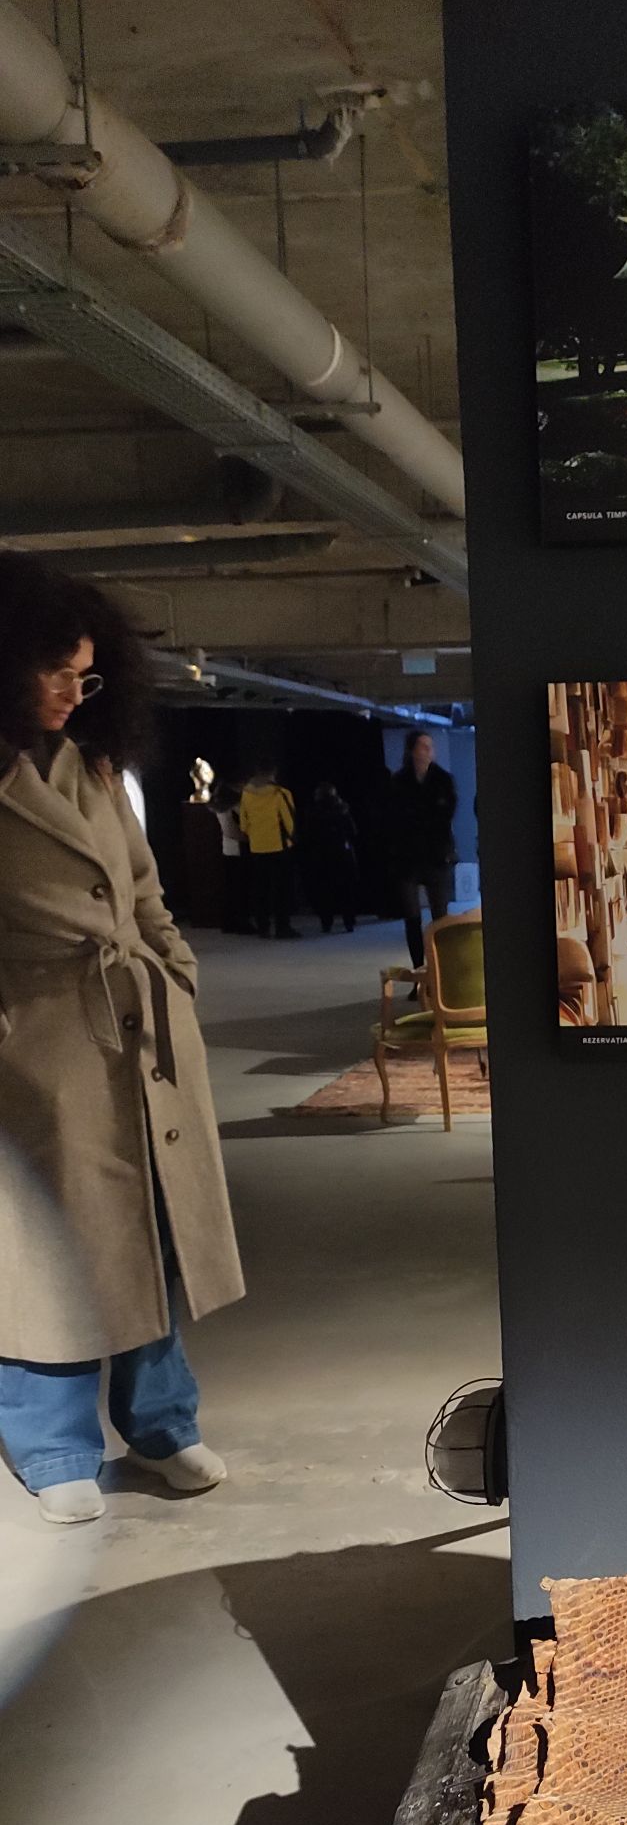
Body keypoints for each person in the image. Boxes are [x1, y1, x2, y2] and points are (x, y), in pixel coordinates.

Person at [0, 557, 244, 1526]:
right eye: (56, 671)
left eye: (87, 674)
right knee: (46, 1249)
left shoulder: (95, 765)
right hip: (38, 1042)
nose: (74, 692)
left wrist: (174, 969)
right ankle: (52, 1444)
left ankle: (161, 1422)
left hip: (141, 1032)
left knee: (152, 1231)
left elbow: (141, 888)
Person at [390, 729, 458, 969]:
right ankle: (419, 971)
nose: (429, 751)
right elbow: (393, 816)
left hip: (436, 854)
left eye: (431, 746)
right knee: (411, 918)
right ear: (412, 750)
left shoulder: (443, 780)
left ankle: (441, 972)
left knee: (440, 917)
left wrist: (418, 818)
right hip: (407, 856)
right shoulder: (399, 781)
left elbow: (445, 814)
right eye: (424, 746)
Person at [239, 762, 298, 939]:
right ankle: (282, 927)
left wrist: (254, 835)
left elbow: (243, 823)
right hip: (279, 845)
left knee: (260, 889)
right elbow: (289, 820)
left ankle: (263, 927)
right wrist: (292, 838)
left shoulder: (246, 793)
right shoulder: (280, 793)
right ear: (273, 773)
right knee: (281, 889)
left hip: (257, 846)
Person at [302, 782, 360, 934]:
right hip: (342, 852)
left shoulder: (312, 812)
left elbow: (308, 834)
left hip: (321, 855)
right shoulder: (343, 809)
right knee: (346, 889)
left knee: (324, 890)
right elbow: (353, 831)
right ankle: (349, 921)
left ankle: (326, 922)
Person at [213, 774, 253, 934]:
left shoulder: (227, 805)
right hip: (236, 849)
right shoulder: (227, 807)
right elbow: (229, 830)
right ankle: (239, 921)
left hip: (232, 848)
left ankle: (232, 921)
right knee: (238, 888)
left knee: (234, 888)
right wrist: (249, 839)